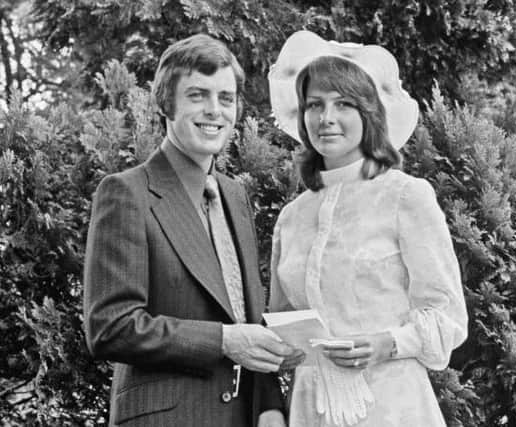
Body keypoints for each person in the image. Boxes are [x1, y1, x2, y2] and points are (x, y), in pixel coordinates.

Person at [83, 34, 303, 427]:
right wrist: (223, 341)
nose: (214, 110)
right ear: (167, 103)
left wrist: (270, 406)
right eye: (198, 95)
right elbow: (111, 327)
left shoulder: (235, 197)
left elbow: (245, 319)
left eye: (226, 97)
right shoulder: (127, 192)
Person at [267, 30, 468, 426]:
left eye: (343, 104)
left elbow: (448, 317)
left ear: (369, 113)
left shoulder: (405, 196)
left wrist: (386, 343)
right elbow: (281, 325)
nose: (326, 118)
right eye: (315, 104)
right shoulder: (292, 217)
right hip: (312, 409)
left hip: (392, 405)